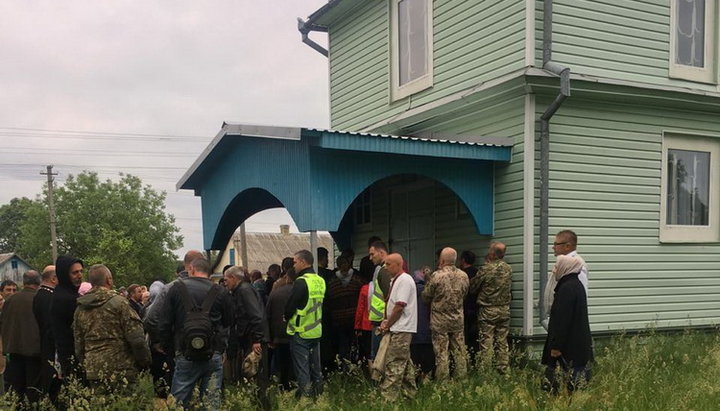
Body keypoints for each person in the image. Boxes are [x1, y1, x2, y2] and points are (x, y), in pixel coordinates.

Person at [156, 258, 232, 409]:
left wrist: (170, 349)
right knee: (210, 402)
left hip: (184, 352)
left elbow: (164, 323)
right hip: (213, 353)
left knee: (178, 402)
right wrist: (221, 348)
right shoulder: (221, 291)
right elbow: (229, 321)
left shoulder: (176, 289)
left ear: (191, 268)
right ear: (209, 272)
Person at [73, 265, 151, 391]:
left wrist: (87, 365)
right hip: (122, 369)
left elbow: (79, 345)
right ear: (109, 280)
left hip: (95, 371)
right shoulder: (120, 303)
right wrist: (145, 362)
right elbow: (137, 339)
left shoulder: (81, 308)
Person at [542, 255, 593, 394]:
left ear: (565, 268)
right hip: (577, 344)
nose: (554, 270)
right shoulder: (576, 285)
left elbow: (562, 321)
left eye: (556, 267)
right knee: (575, 383)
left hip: (567, 346)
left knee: (558, 383)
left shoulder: (566, 288)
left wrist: (556, 346)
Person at [422, 247, 469, 380]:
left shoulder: (437, 276)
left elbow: (426, 296)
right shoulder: (464, 276)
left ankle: (443, 380)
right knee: (459, 351)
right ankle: (461, 378)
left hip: (439, 321)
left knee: (442, 352)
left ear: (442, 260)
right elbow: (464, 294)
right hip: (457, 318)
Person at [284, 250, 325, 398]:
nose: (293, 265)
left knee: (302, 371)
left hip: (301, 331)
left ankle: (306, 401)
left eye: (295, 262)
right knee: (316, 368)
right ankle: (319, 398)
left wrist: (286, 316)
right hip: (316, 330)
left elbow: (290, 307)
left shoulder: (301, 282)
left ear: (302, 262)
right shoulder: (320, 280)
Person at [378, 253, 417, 401]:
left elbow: (399, 306)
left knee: (394, 364)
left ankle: (388, 399)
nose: (386, 268)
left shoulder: (405, 280)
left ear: (399, 264)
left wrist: (388, 324)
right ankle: (410, 395)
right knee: (404, 364)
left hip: (402, 328)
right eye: (385, 264)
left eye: (389, 264)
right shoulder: (395, 280)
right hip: (398, 327)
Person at [470, 242, 512, 373]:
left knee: (486, 341)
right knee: (502, 341)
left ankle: (486, 370)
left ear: (492, 253)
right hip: (504, 309)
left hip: (488, 310)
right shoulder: (508, 269)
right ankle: (503, 369)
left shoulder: (486, 269)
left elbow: (473, 287)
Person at [0, 270, 42, 403]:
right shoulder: (38, 299)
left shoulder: (10, 300)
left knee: (16, 391)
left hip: (13, 351)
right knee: (33, 391)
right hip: (34, 352)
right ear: (38, 282)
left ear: (23, 282)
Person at [223, 266, 266, 386]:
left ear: (233, 278)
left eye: (226, 280)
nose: (225, 283)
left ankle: (260, 403)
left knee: (254, 371)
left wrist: (257, 339)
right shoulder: (241, 290)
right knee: (250, 372)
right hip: (249, 337)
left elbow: (255, 315)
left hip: (253, 339)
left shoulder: (244, 291)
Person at [543, 230, 588, 330]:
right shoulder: (563, 263)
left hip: (566, 318)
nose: (553, 247)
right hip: (557, 314)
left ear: (567, 246)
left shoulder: (576, 265)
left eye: (556, 244)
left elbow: (580, 292)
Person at [324, 254, 363, 367]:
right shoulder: (357, 280)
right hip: (352, 319)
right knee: (353, 344)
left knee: (342, 344)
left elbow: (329, 300)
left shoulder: (332, 282)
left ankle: (343, 365)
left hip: (338, 319)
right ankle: (353, 365)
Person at [51, 255, 84, 380]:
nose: (79, 275)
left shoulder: (68, 293)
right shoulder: (65, 298)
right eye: (75, 273)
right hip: (70, 355)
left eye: (81, 271)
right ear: (65, 275)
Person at [265, 267, 296, 390]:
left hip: (279, 335)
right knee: (296, 363)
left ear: (287, 277)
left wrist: (270, 337)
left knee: (282, 364)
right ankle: (296, 387)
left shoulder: (275, 293)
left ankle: (283, 387)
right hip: (297, 333)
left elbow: (268, 315)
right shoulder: (300, 291)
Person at [32, 265, 59, 399]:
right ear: (54, 278)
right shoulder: (49, 297)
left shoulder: (39, 295)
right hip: (50, 349)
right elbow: (50, 326)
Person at [368, 241, 391, 362]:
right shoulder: (384, 269)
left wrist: (386, 319)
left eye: (373, 254)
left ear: (381, 252)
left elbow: (389, 297)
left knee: (378, 357)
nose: (370, 258)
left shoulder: (384, 270)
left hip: (381, 321)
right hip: (381, 319)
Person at [410, 267, 434, 383]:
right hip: (428, 333)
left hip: (413, 333)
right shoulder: (430, 294)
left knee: (415, 361)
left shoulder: (409, 293)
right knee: (428, 361)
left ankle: (415, 381)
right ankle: (426, 380)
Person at [459, 250, 479, 356]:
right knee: (474, 336)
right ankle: (474, 355)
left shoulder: (461, 275)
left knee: (464, 335)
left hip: (464, 308)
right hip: (475, 308)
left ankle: (466, 355)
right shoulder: (478, 273)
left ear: (463, 260)